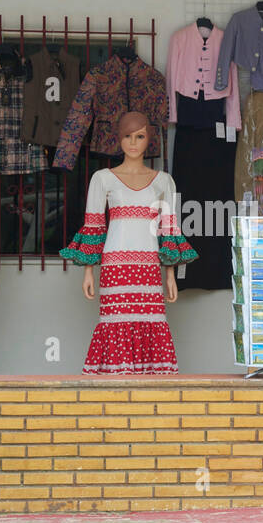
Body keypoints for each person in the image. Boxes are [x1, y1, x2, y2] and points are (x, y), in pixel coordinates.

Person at [59, 110, 197, 374]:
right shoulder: (102, 179)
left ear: (149, 139)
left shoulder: (164, 182)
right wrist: (88, 271)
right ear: (118, 139)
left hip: (148, 265)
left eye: (140, 136)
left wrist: (171, 274)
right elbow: (94, 225)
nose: (133, 142)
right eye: (127, 136)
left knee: (151, 320)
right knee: (115, 321)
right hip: (115, 265)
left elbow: (169, 230)